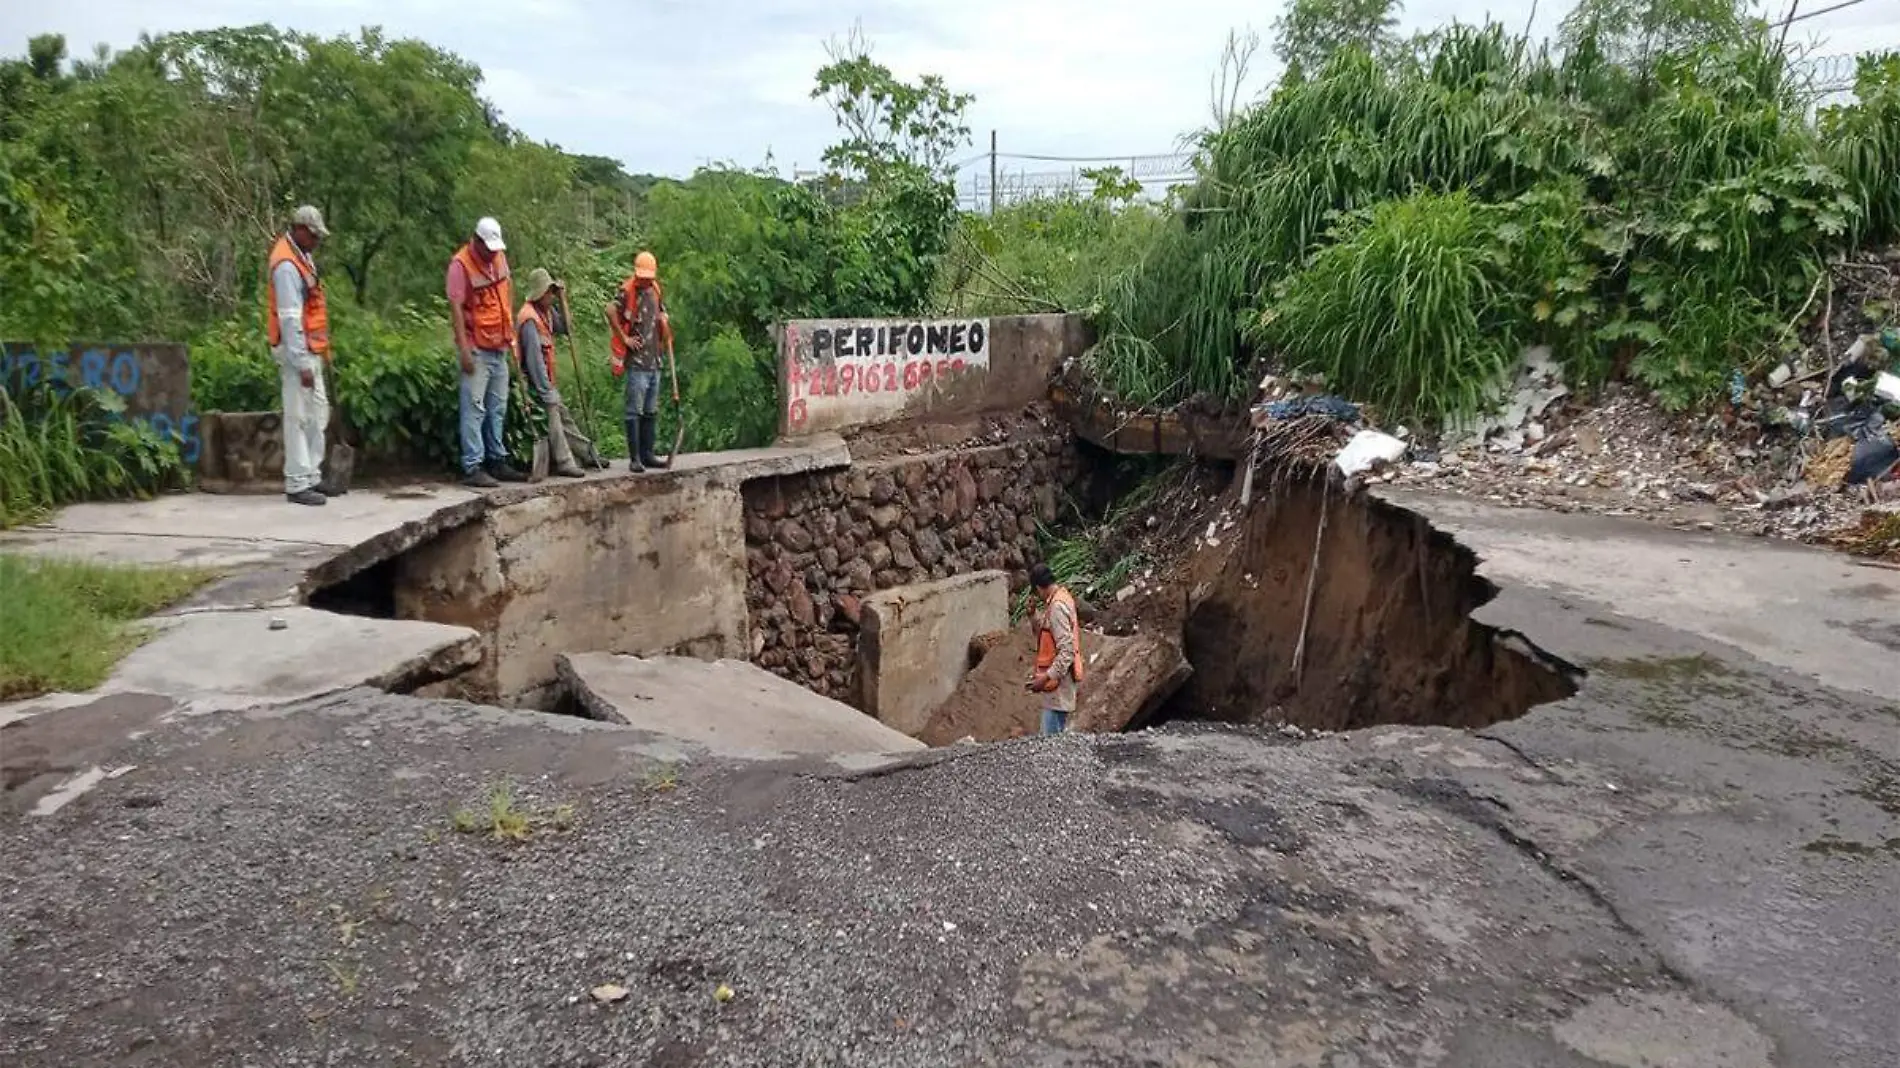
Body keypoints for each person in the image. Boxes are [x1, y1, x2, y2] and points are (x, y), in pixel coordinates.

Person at [447, 216, 526, 488]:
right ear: (476, 241)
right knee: (474, 407)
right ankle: (473, 465)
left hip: (500, 344)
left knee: (497, 407)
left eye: (495, 248)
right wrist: (465, 349)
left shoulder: (500, 259)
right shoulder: (461, 265)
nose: (492, 253)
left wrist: (511, 335)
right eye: (488, 248)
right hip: (477, 347)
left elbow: (507, 294)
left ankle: (497, 459)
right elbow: (456, 308)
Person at [267, 205, 333, 507]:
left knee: (318, 412)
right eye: (315, 235)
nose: (317, 241)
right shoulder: (286, 266)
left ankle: (312, 475)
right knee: (298, 416)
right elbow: (290, 318)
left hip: (311, 348)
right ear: (301, 230)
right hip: (297, 352)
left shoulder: (302, 257)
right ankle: (297, 482)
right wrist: (301, 362)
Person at [604, 249, 676, 472]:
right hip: (637, 363)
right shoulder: (627, 291)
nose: (645, 280)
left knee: (650, 410)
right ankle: (635, 458)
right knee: (633, 410)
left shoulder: (655, 289)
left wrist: (665, 326)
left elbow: (662, 314)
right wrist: (624, 337)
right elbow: (609, 310)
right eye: (643, 277)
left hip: (654, 360)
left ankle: (648, 455)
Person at [514, 267, 586, 479]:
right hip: (535, 383)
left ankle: (588, 454)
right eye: (549, 292)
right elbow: (534, 361)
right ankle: (565, 462)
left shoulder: (547, 313)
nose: (551, 296)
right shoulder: (529, 319)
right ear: (539, 293)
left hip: (548, 380)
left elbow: (567, 327)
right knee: (554, 416)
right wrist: (545, 391)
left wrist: (563, 299)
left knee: (566, 419)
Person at [1026, 563, 1083, 734]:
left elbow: (1067, 651)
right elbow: (1047, 633)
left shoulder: (1057, 607)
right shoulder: (1060, 599)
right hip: (1057, 685)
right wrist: (1033, 616)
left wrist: (1045, 678)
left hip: (1058, 686)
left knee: (1049, 743)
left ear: (1038, 588)